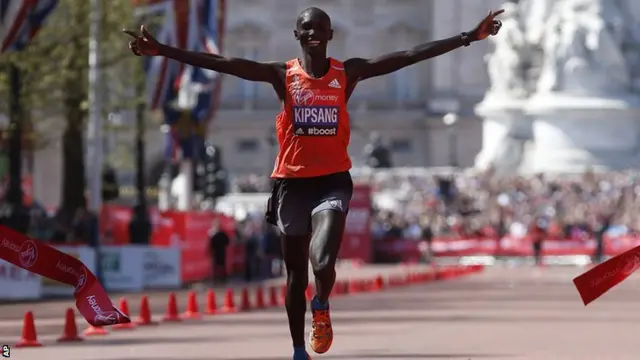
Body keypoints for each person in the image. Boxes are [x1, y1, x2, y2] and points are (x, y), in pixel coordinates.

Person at [124, 7, 503, 360]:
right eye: (307, 29)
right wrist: (163, 51)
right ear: (297, 35)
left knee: (321, 264)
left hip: (333, 181)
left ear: (330, 34)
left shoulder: (347, 73)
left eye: (320, 28)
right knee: (294, 276)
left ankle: (320, 304)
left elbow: (407, 56)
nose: (313, 34)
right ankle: (296, 348)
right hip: (291, 184)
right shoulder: (282, 75)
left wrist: (468, 36)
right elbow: (224, 63)